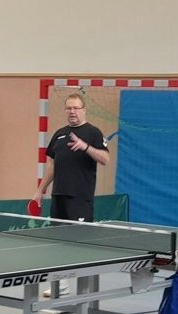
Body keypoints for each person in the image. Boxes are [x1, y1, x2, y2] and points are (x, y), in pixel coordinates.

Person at [31, 93, 109, 297]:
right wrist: (40, 191)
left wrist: (86, 147)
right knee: (59, 243)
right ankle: (61, 285)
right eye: (69, 108)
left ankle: (85, 291)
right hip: (58, 196)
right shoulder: (59, 134)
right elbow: (51, 166)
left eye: (76, 108)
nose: (72, 111)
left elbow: (105, 159)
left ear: (84, 110)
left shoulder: (93, 132)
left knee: (80, 245)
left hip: (80, 198)